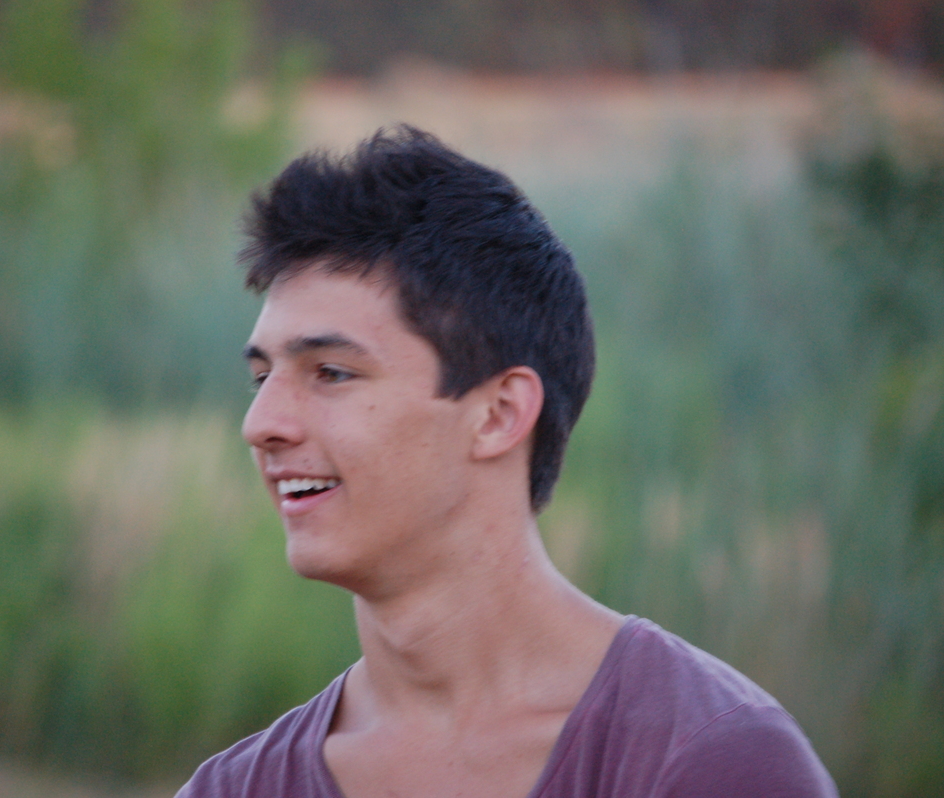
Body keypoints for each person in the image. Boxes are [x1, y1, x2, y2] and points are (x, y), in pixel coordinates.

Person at [177, 126, 838, 798]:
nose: (261, 425)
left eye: (331, 372)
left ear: (498, 414)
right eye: (262, 378)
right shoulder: (234, 789)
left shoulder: (710, 762)